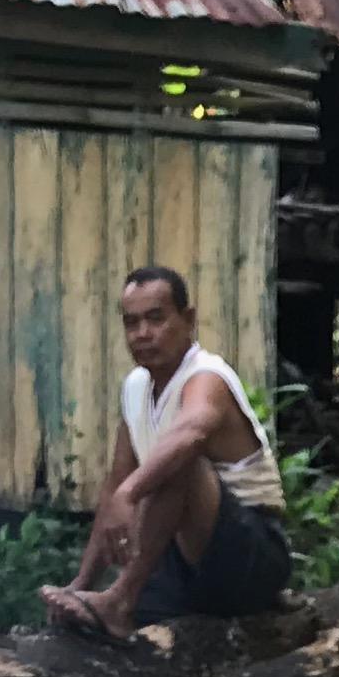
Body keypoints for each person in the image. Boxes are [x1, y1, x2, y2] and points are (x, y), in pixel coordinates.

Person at [46, 265, 289, 639]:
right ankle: (107, 600)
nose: (143, 334)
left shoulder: (207, 377)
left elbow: (192, 432)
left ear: (187, 318)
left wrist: (130, 493)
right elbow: (116, 482)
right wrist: (80, 584)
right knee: (96, 634)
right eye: (132, 323)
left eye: (156, 319)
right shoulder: (136, 387)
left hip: (251, 557)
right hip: (183, 561)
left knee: (178, 462)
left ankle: (121, 600)